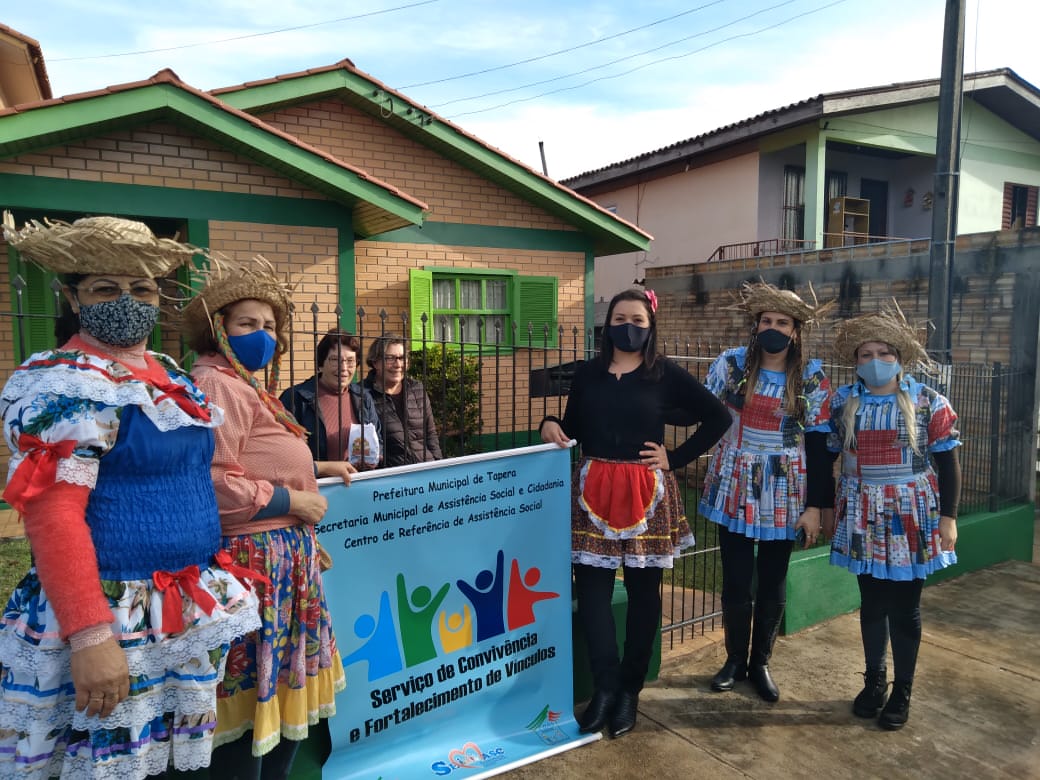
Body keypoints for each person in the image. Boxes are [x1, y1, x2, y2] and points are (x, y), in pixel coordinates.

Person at [0, 213, 262, 777]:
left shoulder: (169, 375)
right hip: (112, 614)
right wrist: (90, 637)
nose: (127, 300)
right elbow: (54, 516)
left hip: (182, 605)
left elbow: (197, 476)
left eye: (142, 288)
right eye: (105, 288)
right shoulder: (63, 383)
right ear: (72, 297)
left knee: (171, 764)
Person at [182, 257, 350, 778]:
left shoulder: (244, 383)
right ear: (219, 329)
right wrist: (294, 502)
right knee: (250, 716)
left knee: (274, 705)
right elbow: (215, 482)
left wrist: (317, 467)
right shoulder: (217, 383)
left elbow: (257, 456)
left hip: (282, 567)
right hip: (254, 569)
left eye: (270, 325)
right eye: (247, 323)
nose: (263, 335)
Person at [540, 288, 730, 739]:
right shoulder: (588, 374)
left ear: (650, 326)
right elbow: (572, 425)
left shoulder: (663, 373)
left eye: (638, 320)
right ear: (607, 325)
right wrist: (550, 424)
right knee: (593, 596)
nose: (628, 327)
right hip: (593, 495)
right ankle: (605, 687)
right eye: (620, 319)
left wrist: (674, 458)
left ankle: (630, 690)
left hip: (647, 494)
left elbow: (718, 417)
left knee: (645, 597)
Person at [826, 303, 961, 730]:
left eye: (884, 352)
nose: (876, 361)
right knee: (872, 603)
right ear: (855, 362)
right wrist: (823, 507)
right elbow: (825, 454)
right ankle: (874, 682)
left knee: (905, 607)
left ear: (900, 357)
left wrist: (949, 518)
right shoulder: (842, 402)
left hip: (911, 513)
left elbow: (948, 464)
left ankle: (902, 690)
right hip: (861, 512)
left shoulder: (927, 402)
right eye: (866, 354)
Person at [698, 281, 834, 703]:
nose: (773, 328)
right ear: (756, 325)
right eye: (766, 321)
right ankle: (734, 660)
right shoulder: (732, 365)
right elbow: (703, 410)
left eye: (783, 322)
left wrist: (815, 506)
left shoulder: (811, 377)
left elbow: (819, 445)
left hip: (785, 487)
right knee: (736, 578)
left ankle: (761, 663)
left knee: (773, 579)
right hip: (735, 481)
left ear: (796, 331)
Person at [279, 329, 382, 468]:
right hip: (315, 480)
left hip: (358, 479)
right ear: (321, 364)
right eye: (335, 360)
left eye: (350, 361)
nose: (344, 368)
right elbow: (282, 452)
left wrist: (373, 457)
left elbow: (378, 439)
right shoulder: (295, 398)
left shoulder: (363, 397)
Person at [363, 334, 442, 466]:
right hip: (393, 474)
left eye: (402, 358)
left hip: (426, 469)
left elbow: (431, 434)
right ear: (375, 362)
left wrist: (438, 465)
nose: (398, 364)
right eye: (390, 358)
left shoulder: (417, 389)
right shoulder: (363, 395)